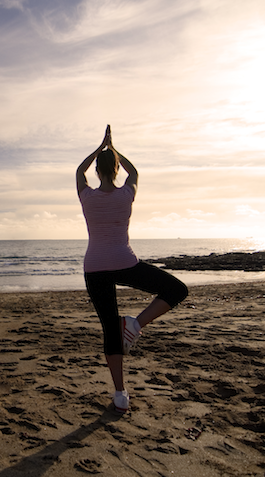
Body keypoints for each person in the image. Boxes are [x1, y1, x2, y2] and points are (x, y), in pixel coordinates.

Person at [76, 124, 188, 414]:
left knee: (110, 329)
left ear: (97, 172)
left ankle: (120, 393)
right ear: (115, 170)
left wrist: (100, 146)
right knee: (176, 290)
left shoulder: (86, 196)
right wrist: (114, 149)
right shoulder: (127, 193)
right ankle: (136, 325)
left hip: (95, 267)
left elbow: (79, 171)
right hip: (125, 262)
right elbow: (134, 172)